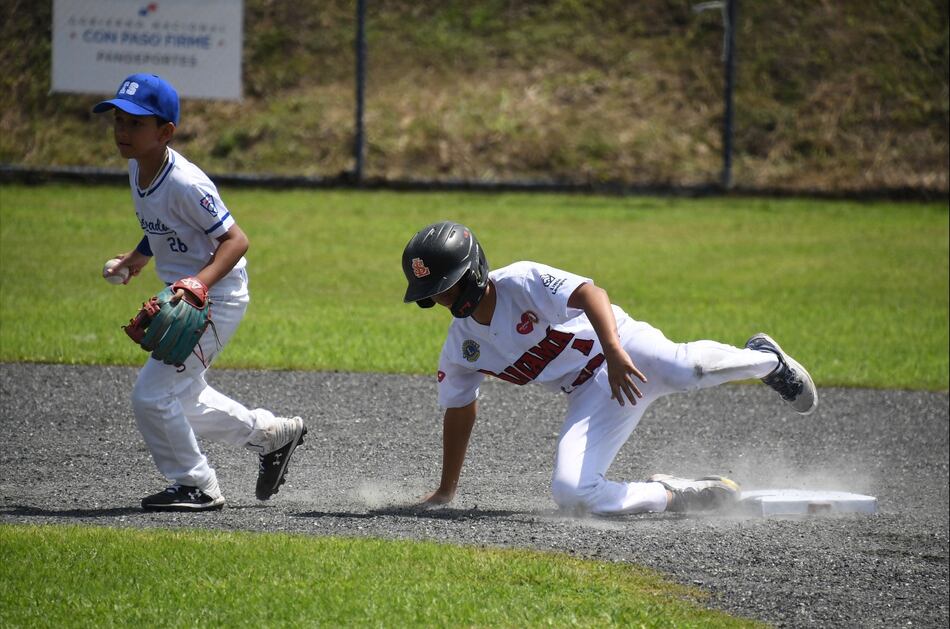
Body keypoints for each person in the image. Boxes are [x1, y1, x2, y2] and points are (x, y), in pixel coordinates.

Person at [401, 221, 818, 515]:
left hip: (625, 346)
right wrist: (446, 490)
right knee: (573, 494)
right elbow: (459, 408)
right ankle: (676, 494)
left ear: (473, 271)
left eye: (448, 285)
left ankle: (767, 361)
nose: (443, 299)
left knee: (684, 369)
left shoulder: (520, 281)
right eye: (434, 293)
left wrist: (615, 351)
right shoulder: (462, 349)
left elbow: (590, 293)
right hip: (592, 395)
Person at [94, 73, 307, 511]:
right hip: (188, 294)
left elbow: (236, 241)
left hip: (215, 298)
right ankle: (271, 436)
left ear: (165, 132)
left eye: (136, 123)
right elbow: (164, 226)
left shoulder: (186, 183)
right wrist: (137, 257)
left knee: (151, 396)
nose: (122, 130)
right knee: (183, 396)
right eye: (118, 120)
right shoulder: (138, 167)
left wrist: (198, 285)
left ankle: (197, 485)